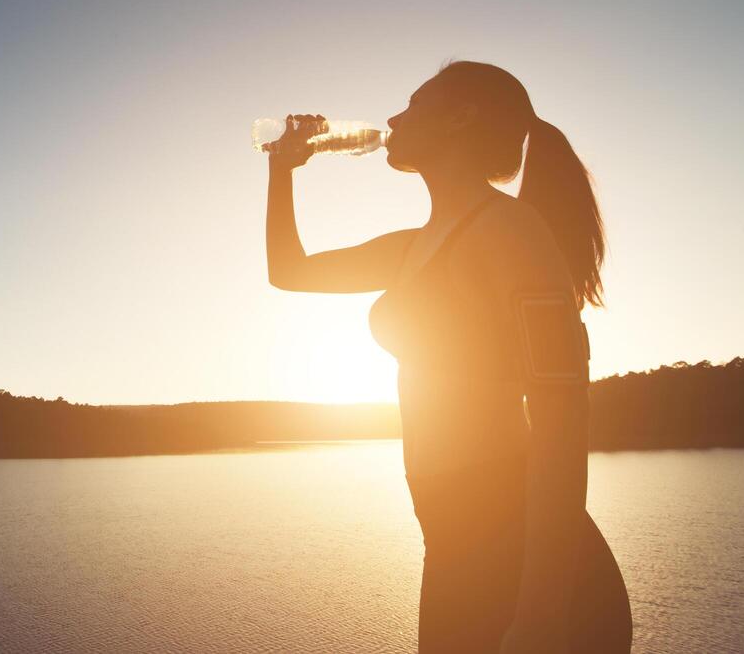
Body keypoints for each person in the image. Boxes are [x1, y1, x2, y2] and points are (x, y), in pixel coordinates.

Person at [264, 59, 632, 653]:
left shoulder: (512, 233)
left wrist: (539, 616)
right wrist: (283, 170)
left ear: (461, 117)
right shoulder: (417, 245)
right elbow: (289, 271)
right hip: (454, 544)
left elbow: (563, 423)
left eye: (412, 105)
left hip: (523, 559)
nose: (391, 118)